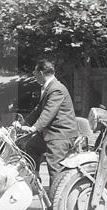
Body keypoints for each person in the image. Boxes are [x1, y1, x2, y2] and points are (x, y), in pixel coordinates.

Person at [18, 59, 78, 188]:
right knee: (31, 146)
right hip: (50, 133)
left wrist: (34, 128)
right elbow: (38, 110)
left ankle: (56, 199)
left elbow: (49, 112)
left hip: (60, 134)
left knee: (54, 167)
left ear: (40, 73)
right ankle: (35, 180)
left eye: (35, 72)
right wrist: (23, 123)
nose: (34, 74)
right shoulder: (49, 87)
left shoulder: (56, 89)